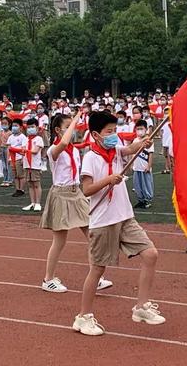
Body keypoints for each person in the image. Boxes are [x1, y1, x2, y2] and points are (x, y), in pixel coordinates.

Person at [73, 111, 165, 336]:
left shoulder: (115, 150)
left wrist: (142, 143)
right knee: (97, 269)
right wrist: (107, 180)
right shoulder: (90, 158)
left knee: (151, 254)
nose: (113, 136)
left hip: (125, 217)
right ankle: (83, 317)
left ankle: (141, 307)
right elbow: (86, 190)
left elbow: (128, 150)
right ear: (95, 134)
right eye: (109, 132)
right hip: (103, 221)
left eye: (115, 131)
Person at [40, 112, 112, 293]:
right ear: (58, 130)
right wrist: (76, 118)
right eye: (67, 127)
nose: (72, 131)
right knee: (60, 240)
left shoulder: (75, 149)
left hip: (76, 193)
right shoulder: (53, 150)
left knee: (92, 234)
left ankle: (97, 277)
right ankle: (48, 279)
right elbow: (63, 142)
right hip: (61, 195)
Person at [21, 118, 44, 212]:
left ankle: (38, 203)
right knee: (30, 184)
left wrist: (24, 151)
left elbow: (35, 151)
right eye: (29, 127)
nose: (30, 129)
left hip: (35, 165)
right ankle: (32, 202)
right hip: (27, 164)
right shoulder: (25, 139)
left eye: (32, 127)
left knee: (36, 184)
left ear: (37, 128)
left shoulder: (38, 139)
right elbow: (22, 151)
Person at [132, 120, 154, 209]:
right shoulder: (135, 140)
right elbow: (132, 151)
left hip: (144, 167)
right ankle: (140, 200)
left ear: (146, 129)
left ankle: (147, 200)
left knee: (146, 184)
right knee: (137, 184)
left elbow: (150, 154)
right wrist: (131, 165)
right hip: (136, 167)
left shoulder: (149, 140)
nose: (139, 131)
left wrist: (149, 166)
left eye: (141, 129)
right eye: (137, 129)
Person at [7, 119, 26, 198]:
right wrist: (8, 158)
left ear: (21, 127)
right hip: (12, 159)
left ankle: (21, 189)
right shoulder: (10, 137)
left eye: (16, 126)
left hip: (19, 158)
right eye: (13, 126)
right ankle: (17, 189)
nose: (14, 127)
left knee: (20, 175)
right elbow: (9, 148)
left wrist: (22, 158)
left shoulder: (23, 137)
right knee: (15, 175)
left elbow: (23, 148)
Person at [0, 117, 13, 187]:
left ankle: (9, 179)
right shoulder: (1, 132)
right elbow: (0, 141)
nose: (4, 125)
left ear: (9, 124)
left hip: (7, 149)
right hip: (2, 148)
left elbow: (10, 143)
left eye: (5, 123)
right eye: (2, 123)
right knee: (4, 165)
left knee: (8, 165)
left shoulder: (10, 133)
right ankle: (5, 179)